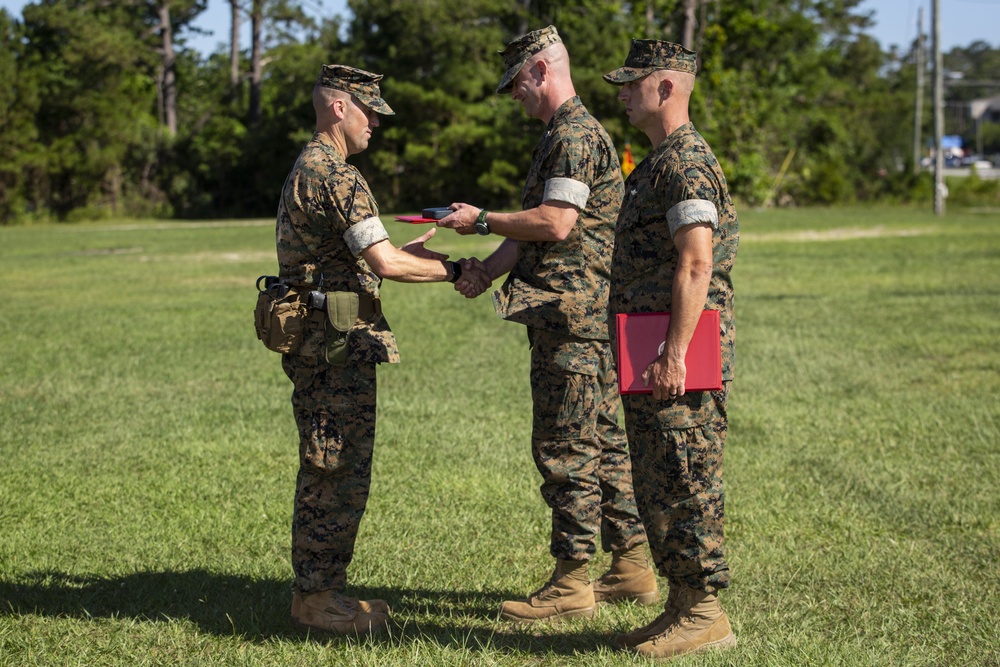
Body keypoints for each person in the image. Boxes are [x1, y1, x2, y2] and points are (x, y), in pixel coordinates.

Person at [438, 26, 657, 623]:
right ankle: (633, 565)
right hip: (576, 313)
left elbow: (555, 223)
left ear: (540, 70)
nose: (514, 96)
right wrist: (486, 268)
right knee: (604, 440)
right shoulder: (560, 136)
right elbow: (536, 228)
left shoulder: (575, 136)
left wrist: (482, 220)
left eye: (516, 84)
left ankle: (571, 580)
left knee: (565, 444)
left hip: (573, 318)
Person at [273, 64, 488, 636]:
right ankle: (318, 601)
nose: (376, 124)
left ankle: (319, 593)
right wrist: (456, 269)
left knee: (329, 462)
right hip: (334, 350)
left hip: (320, 342)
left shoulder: (310, 166)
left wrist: (403, 255)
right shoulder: (338, 175)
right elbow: (385, 263)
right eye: (369, 111)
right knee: (335, 466)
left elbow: (366, 258)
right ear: (339, 107)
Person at [602, 40, 740, 658]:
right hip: (651, 348)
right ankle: (683, 604)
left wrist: (676, 353)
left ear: (666, 88)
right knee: (657, 478)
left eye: (634, 84)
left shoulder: (686, 162)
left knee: (686, 476)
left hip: (676, 354)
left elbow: (696, 260)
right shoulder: (658, 162)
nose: (624, 94)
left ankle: (707, 610)